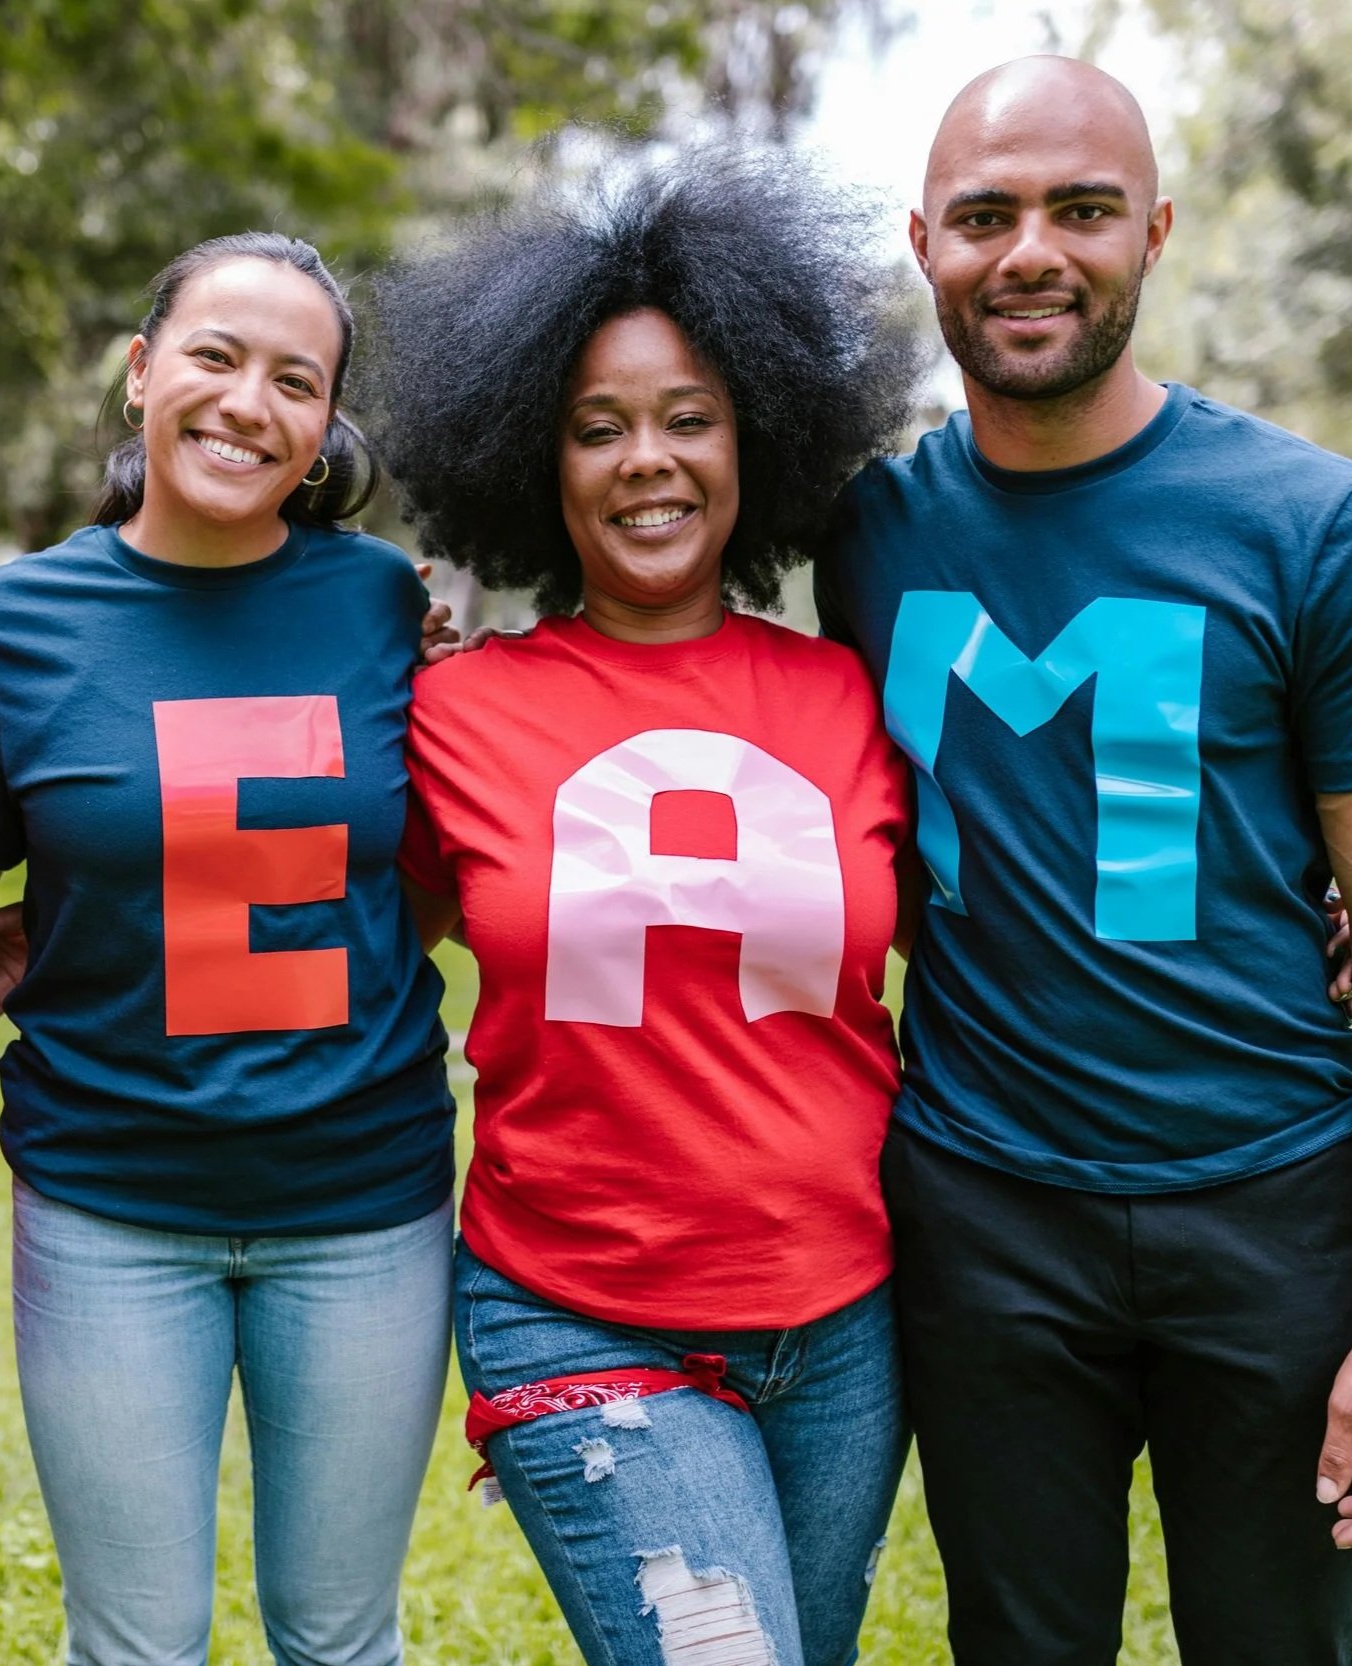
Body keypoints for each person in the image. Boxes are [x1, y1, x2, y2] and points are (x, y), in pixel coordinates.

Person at [813, 57, 1352, 1664]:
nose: (1027, 249)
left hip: (1271, 1211)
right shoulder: (866, 532)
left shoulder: (1314, 527)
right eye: (984, 214)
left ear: (1155, 232)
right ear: (923, 244)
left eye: (1079, 209)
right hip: (983, 1211)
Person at [359, 150, 927, 1666]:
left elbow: (999, 913)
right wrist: (56, 918)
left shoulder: (852, 698)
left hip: (848, 1316)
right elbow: (326, 901)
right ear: (531, 459)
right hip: (579, 1305)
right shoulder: (450, 714)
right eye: (595, 428)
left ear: (757, 440)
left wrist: (1299, 912)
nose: (646, 461)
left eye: (690, 419)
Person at [0, 233, 456, 1666]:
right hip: (111, 1206)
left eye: (296, 380)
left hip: (364, 1202)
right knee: (134, 1642)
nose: (248, 401)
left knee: (340, 1635)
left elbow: (417, 872)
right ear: (140, 372)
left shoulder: (381, 606)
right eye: (216, 356)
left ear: (323, 432)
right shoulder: (11, 624)